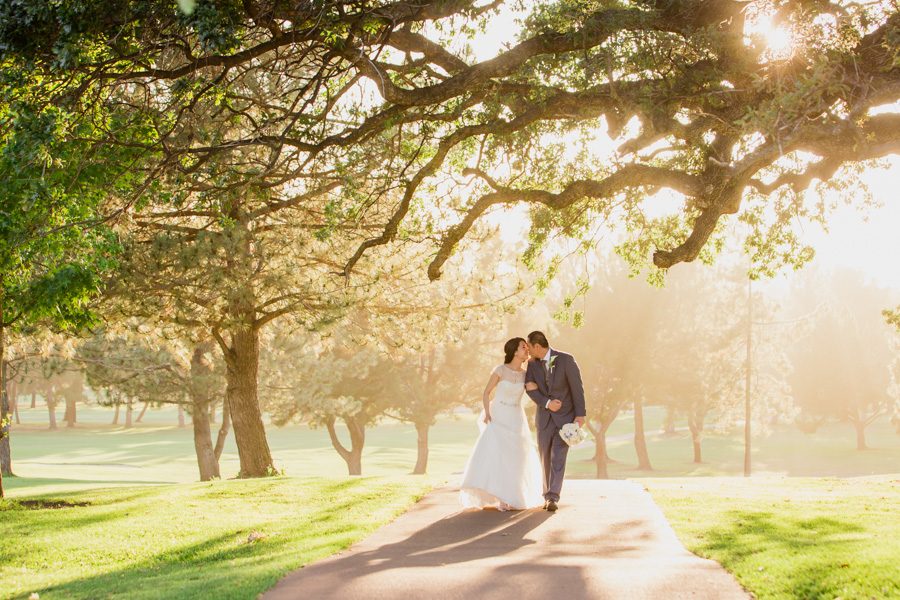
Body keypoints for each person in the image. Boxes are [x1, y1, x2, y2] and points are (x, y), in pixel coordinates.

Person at [459, 338, 543, 511]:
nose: (527, 350)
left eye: (527, 348)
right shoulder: (500, 370)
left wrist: (534, 387)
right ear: (514, 351)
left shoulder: (526, 373)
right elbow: (486, 392)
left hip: (516, 417)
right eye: (523, 348)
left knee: (516, 457)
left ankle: (512, 495)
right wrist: (488, 413)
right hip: (498, 415)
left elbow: (535, 394)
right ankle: (500, 496)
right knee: (496, 455)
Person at [524, 331, 586, 512]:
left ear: (537, 346)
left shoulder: (566, 360)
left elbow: (577, 388)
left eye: (529, 346)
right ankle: (546, 495)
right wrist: (547, 403)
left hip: (565, 419)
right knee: (545, 458)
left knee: (558, 457)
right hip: (544, 419)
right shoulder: (532, 365)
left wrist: (580, 415)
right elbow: (529, 389)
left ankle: (553, 497)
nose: (527, 350)